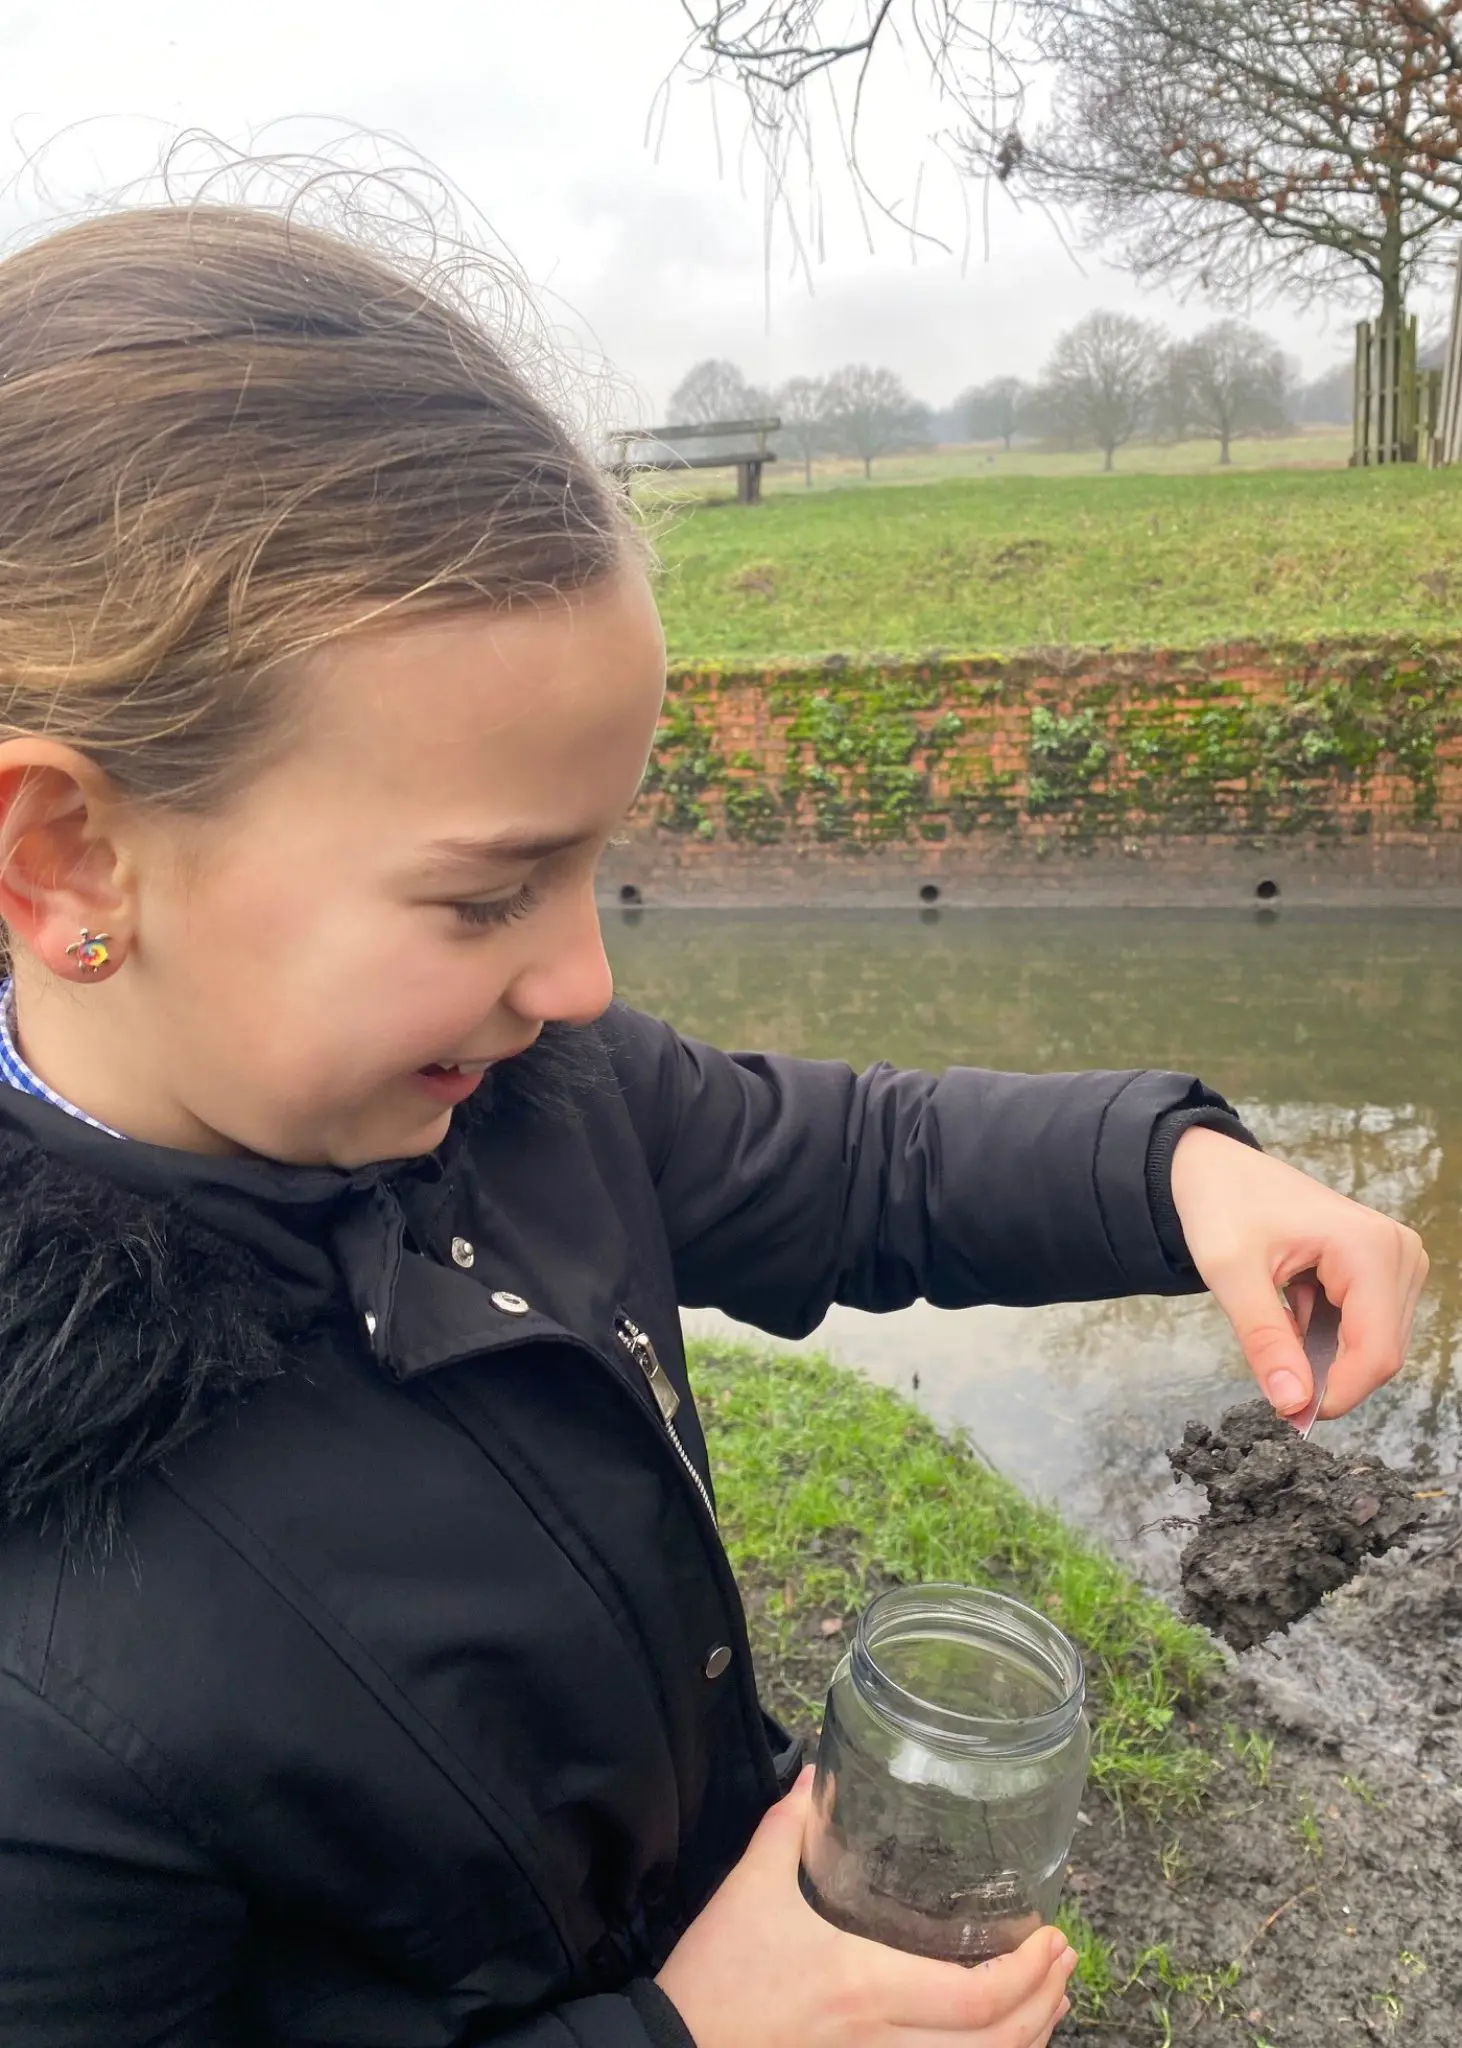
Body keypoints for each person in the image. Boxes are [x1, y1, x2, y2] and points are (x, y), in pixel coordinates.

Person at [0, 196, 1426, 2048]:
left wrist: (1173, 1169)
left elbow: (849, 1159)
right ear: (65, 858)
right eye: (484, 894)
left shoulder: (503, 1097)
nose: (579, 980)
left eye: (597, 867)